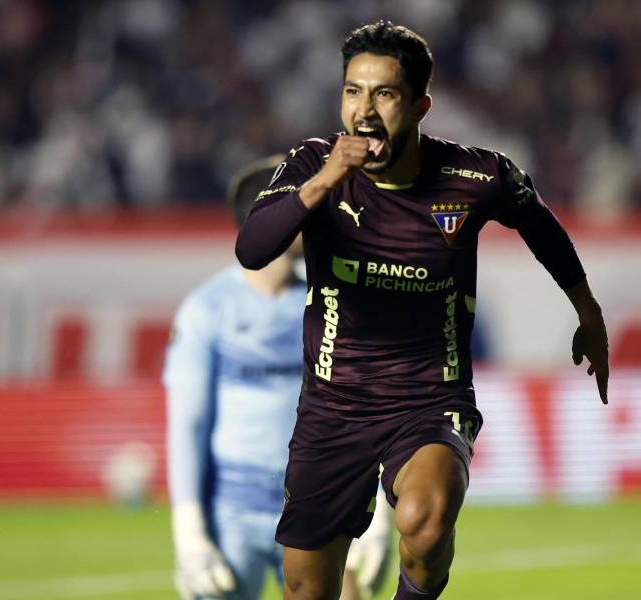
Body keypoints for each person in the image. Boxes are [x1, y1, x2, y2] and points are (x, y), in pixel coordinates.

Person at [235, 21, 609, 600]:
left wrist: (588, 311)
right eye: (352, 91)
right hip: (333, 405)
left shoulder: (475, 176)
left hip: (430, 399)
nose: (364, 110)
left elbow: (540, 226)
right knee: (306, 591)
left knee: (425, 521)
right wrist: (326, 181)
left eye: (383, 93)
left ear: (418, 106)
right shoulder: (313, 163)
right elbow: (253, 249)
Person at [165, 157, 392, 600]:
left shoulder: (332, 299)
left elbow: (367, 414)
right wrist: (189, 533)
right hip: (233, 515)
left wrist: (378, 517)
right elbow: (188, 426)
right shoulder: (207, 310)